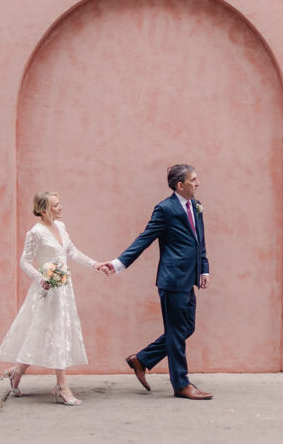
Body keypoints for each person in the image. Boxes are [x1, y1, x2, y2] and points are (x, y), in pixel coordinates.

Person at [98, 164, 212, 400]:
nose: (198, 183)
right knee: (176, 332)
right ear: (180, 185)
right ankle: (181, 384)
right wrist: (118, 264)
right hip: (172, 280)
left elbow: (199, 240)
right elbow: (145, 238)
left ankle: (142, 359)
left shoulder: (196, 206)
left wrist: (204, 268)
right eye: (193, 180)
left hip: (189, 278)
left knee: (186, 328)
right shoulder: (165, 209)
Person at [0, 191, 108, 406]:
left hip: (64, 290)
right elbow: (24, 261)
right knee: (55, 332)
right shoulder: (35, 233)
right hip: (47, 290)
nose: (60, 207)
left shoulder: (61, 226)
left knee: (42, 332)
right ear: (42, 210)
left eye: (59, 203)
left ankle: (16, 372)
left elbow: (72, 252)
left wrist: (95, 264)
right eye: (55, 205)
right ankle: (62, 386)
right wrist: (42, 279)